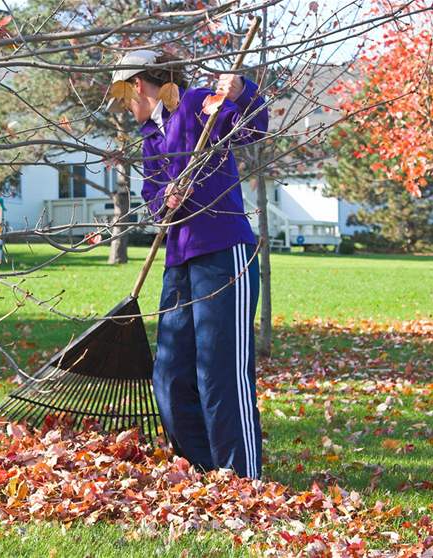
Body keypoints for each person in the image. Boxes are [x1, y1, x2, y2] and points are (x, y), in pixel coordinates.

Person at [107, 49, 269, 479]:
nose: (124, 108)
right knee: (171, 374)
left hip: (222, 253)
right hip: (178, 261)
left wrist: (244, 92)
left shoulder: (198, 103)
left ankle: (241, 478)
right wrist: (166, 202)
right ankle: (200, 470)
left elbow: (251, 130)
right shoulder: (150, 138)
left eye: (123, 97)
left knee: (220, 370)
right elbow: (153, 202)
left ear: (138, 85)